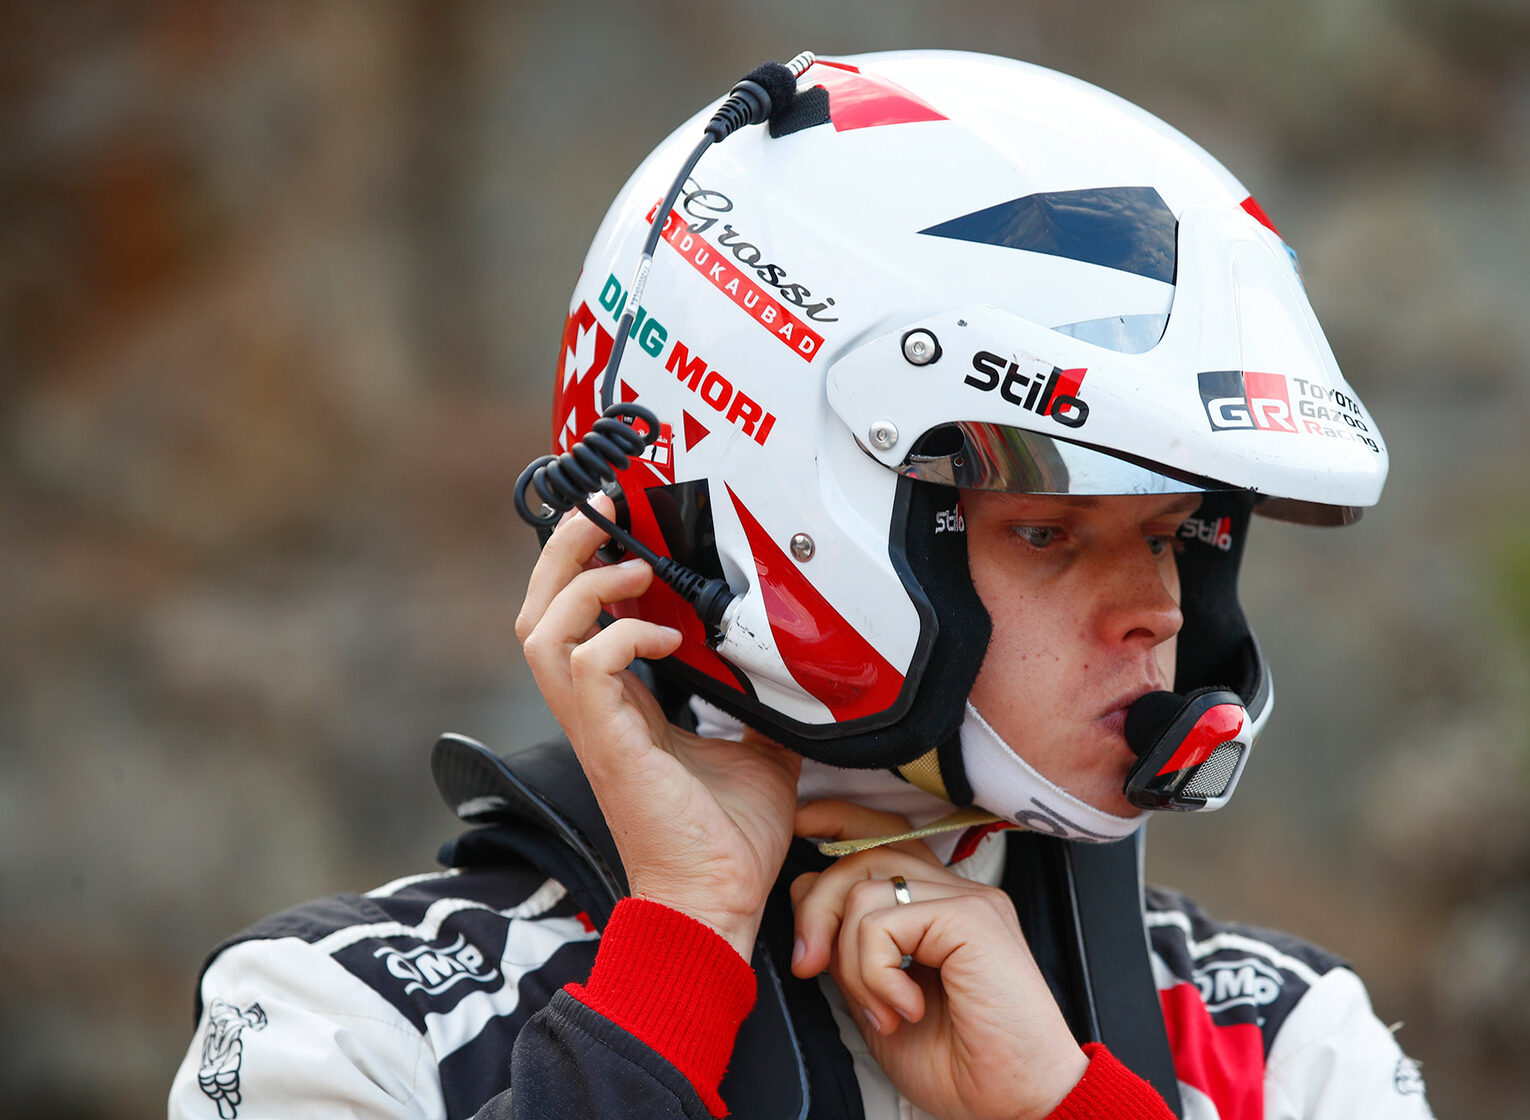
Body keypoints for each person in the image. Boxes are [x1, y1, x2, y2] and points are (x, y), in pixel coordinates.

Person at [170, 50, 1434, 1119]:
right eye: (1050, 533)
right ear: (783, 510)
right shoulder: (341, 1023)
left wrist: (1067, 1103)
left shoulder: (1288, 1045)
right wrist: (677, 962)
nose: (1157, 612)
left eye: (1171, 537)